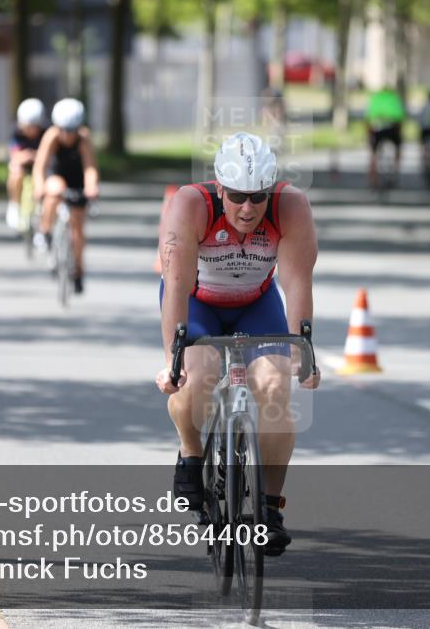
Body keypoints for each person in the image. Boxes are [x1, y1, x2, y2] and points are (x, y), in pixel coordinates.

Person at [155, 132, 321, 557]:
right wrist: (173, 363)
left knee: (274, 388)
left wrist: (303, 352)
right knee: (199, 376)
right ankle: (190, 450)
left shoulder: (291, 207)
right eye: (237, 196)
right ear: (218, 187)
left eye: (258, 197)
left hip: (256, 303)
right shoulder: (192, 205)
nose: (248, 208)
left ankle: (269, 507)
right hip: (198, 303)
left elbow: (297, 282)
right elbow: (175, 286)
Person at [31, 98, 100, 294]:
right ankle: (45, 230)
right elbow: (40, 166)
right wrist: (38, 186)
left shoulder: (84, 138)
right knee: (53, 191)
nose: (67, 135)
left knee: (78, 230)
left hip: (77, 178)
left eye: (71, 130)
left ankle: (78, 270)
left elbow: (90, 168)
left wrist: (92, 187)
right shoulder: (51, 136)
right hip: (57, 174)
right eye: (63, 130)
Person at [5, 98, 46, 230]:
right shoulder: (16, 133)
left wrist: (33, 155)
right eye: (26, 126)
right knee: (15, 172)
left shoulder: (47, 132)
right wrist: (27, 156)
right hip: (24, 166)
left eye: (33, 126)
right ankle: (14, 205)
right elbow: (15, 155)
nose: (29, 130)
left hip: (42, 167)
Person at [366, 87, 406, 191]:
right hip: (392, 128)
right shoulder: (394, 98)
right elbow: (400, 117)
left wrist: (368, 133)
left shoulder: (375, 98)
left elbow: (368, 117)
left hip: (377, 128)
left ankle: (372, 181)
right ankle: (395, 170)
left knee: (373, 155)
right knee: (398, 147)